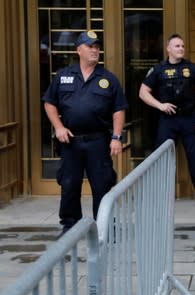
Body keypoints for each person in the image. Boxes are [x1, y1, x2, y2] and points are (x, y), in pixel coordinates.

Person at [43, 30, 128, 236]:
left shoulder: (108, 79)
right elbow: (49, 103)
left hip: (98, 141)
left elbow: (119, 110)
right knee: (70, 184)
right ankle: (70, 226)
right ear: (78, 50)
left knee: (102, 185)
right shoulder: (63, 76)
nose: (95, 50)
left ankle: (105, 227)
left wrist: (116, 137)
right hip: (70, 141)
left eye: (97, 46)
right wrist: (59, 127)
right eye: (90, 46)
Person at [139, 33, 195, 205]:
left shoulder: (192, 68)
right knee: (162, 158)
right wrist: (160, 105)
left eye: (182, 46)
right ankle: (160, 195)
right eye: (177, 46)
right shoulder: (158, 69)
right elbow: (142, 92)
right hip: (167, 120)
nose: (181, 48)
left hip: (189, 118)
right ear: (168, 49)